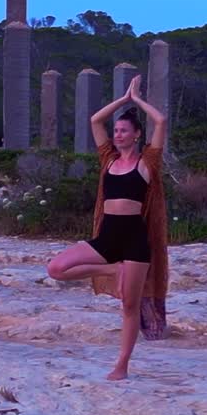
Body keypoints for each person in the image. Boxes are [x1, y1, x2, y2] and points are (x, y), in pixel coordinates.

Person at [45, 74, 170, 380]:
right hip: (107, 238)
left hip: (135, 242)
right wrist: (124, 99)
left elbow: (161, 121)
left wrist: (138, 100)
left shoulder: (147, 163)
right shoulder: (108, 159)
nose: (117, 135)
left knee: (129, 306)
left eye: (124, 130)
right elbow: (94, 120)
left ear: (137, 135)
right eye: (116, 131)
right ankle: (111, 271)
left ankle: (121, 365)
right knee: (56, 268)